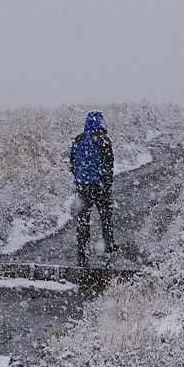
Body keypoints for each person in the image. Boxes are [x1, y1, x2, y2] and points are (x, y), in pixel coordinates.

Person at [70, 111, 116, 265]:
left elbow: (73, 162)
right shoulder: (103, 140)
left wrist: (80, 177)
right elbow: (109, 164)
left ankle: (82, 249)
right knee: (105, 217)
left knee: (83, 219)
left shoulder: (79, 139)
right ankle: (108, 245)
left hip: (83, 186)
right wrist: (107, 183)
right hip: (100, 185)